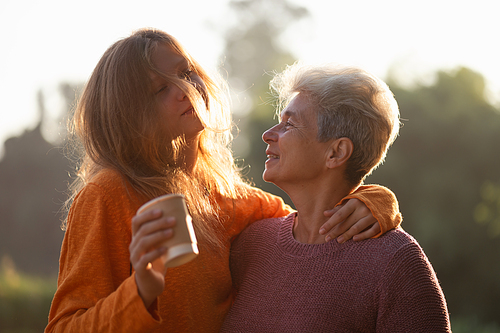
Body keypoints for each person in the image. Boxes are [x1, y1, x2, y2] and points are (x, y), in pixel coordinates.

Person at [44, 29, 402, 333]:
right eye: (159, 89)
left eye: (186, 72)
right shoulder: (108, 194)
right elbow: (64, 327)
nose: (184, 89)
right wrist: (142, 288)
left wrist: (375, 200)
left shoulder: (223, 198)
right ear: (129, 114)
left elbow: (306, 217)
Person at [221, 63, 451, 332]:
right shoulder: (252, 244)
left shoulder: (396, 263)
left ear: (336, 152)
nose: (268, 134)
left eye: (289, 124)